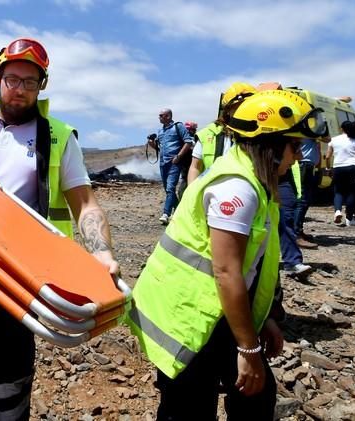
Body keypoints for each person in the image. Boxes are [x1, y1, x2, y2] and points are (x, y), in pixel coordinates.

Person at [0, 38, 119, 420]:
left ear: (41, 87)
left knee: (5, 367)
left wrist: (101, 251)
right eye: (12, 79)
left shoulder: (57, 136)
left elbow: (85, 203)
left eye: (30, 81)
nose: (20, 88)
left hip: (19, 268)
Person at [128, 89, 326, 421]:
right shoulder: (238, 188)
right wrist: (248, 350)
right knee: (190, 409)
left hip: (216, 312)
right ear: (272, 147)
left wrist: (268, 319)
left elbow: (257, 265)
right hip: (189, 319)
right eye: (295, 146)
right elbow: (227, 272)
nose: (299, 156)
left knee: (256, 398)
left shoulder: (257, 183)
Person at [187, 82, 257, 184]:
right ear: (228, 110)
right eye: (238, 107)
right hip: (212, 192)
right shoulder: (208, 134)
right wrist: (191, 194)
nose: (243, 111)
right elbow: (195, 167)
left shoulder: (261, 134)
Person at [149, 108, 193, 224]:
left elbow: (188, 142)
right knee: (168, 190)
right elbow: (160, 148)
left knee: (170, 188)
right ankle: (179, 211)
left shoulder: (178, 127)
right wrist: (152, 144)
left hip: (174, 163)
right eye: (159, 115)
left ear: (168, 116)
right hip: (163, 163)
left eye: (161, 115)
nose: (159, 117)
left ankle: (166, 214)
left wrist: (178, 156)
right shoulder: (161, 131)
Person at [325, 120, 355, 226]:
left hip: (338, 167)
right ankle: (349, 219)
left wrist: (328, 168)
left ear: (341, 129)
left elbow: (328, 156)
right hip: (354, 167)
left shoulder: (334, 140)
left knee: (338, 191)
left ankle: (337, 211)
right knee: (352, 192)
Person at [293, 137, 322, 246]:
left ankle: (298, 231)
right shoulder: (307, 129)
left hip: (306, 165)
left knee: (305, 200)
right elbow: (327, 138)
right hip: (303, 165)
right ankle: (296, 234)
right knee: (302, 200)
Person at [176, 121, 197, 198]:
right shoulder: (187, 139)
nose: (194, 131)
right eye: (193, 129)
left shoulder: (192, 139)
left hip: (189, 164)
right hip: (187, 164)